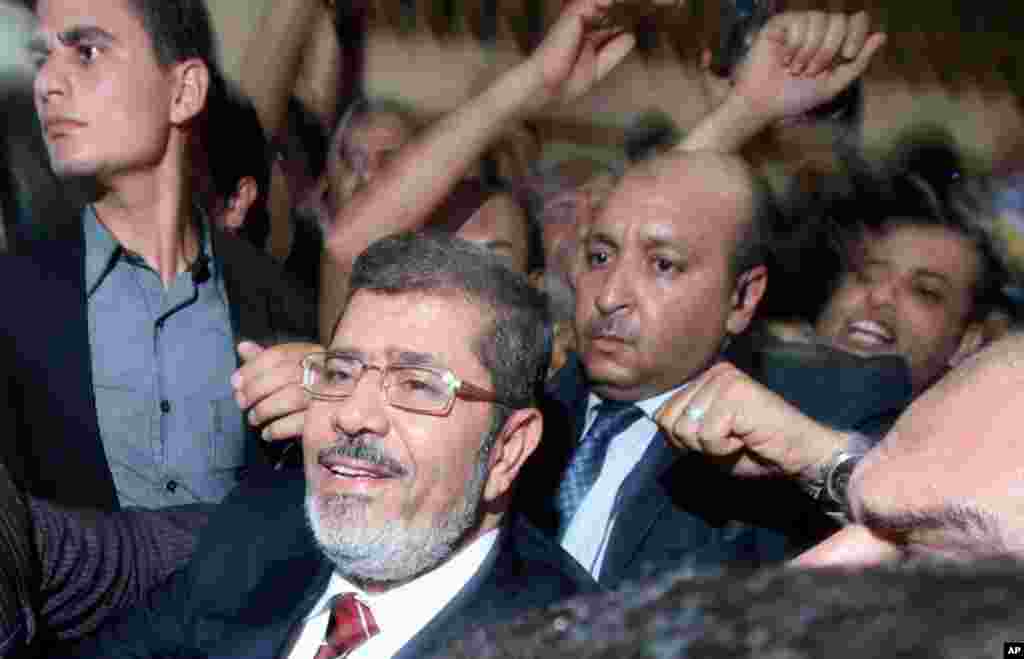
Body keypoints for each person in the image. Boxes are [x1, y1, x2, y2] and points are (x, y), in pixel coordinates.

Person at [71, 232, 598, 659]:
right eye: (341, 371)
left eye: (416, 384)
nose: (352, 414)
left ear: (507, 447)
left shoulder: (569, 644)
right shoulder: (261, 531)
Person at [0, 0, 315, 510]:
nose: (46, 85)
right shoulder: (14, 298)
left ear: (183, 91)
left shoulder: (277, 300)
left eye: (86, 51)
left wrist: (330, 414)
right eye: (42, 59)